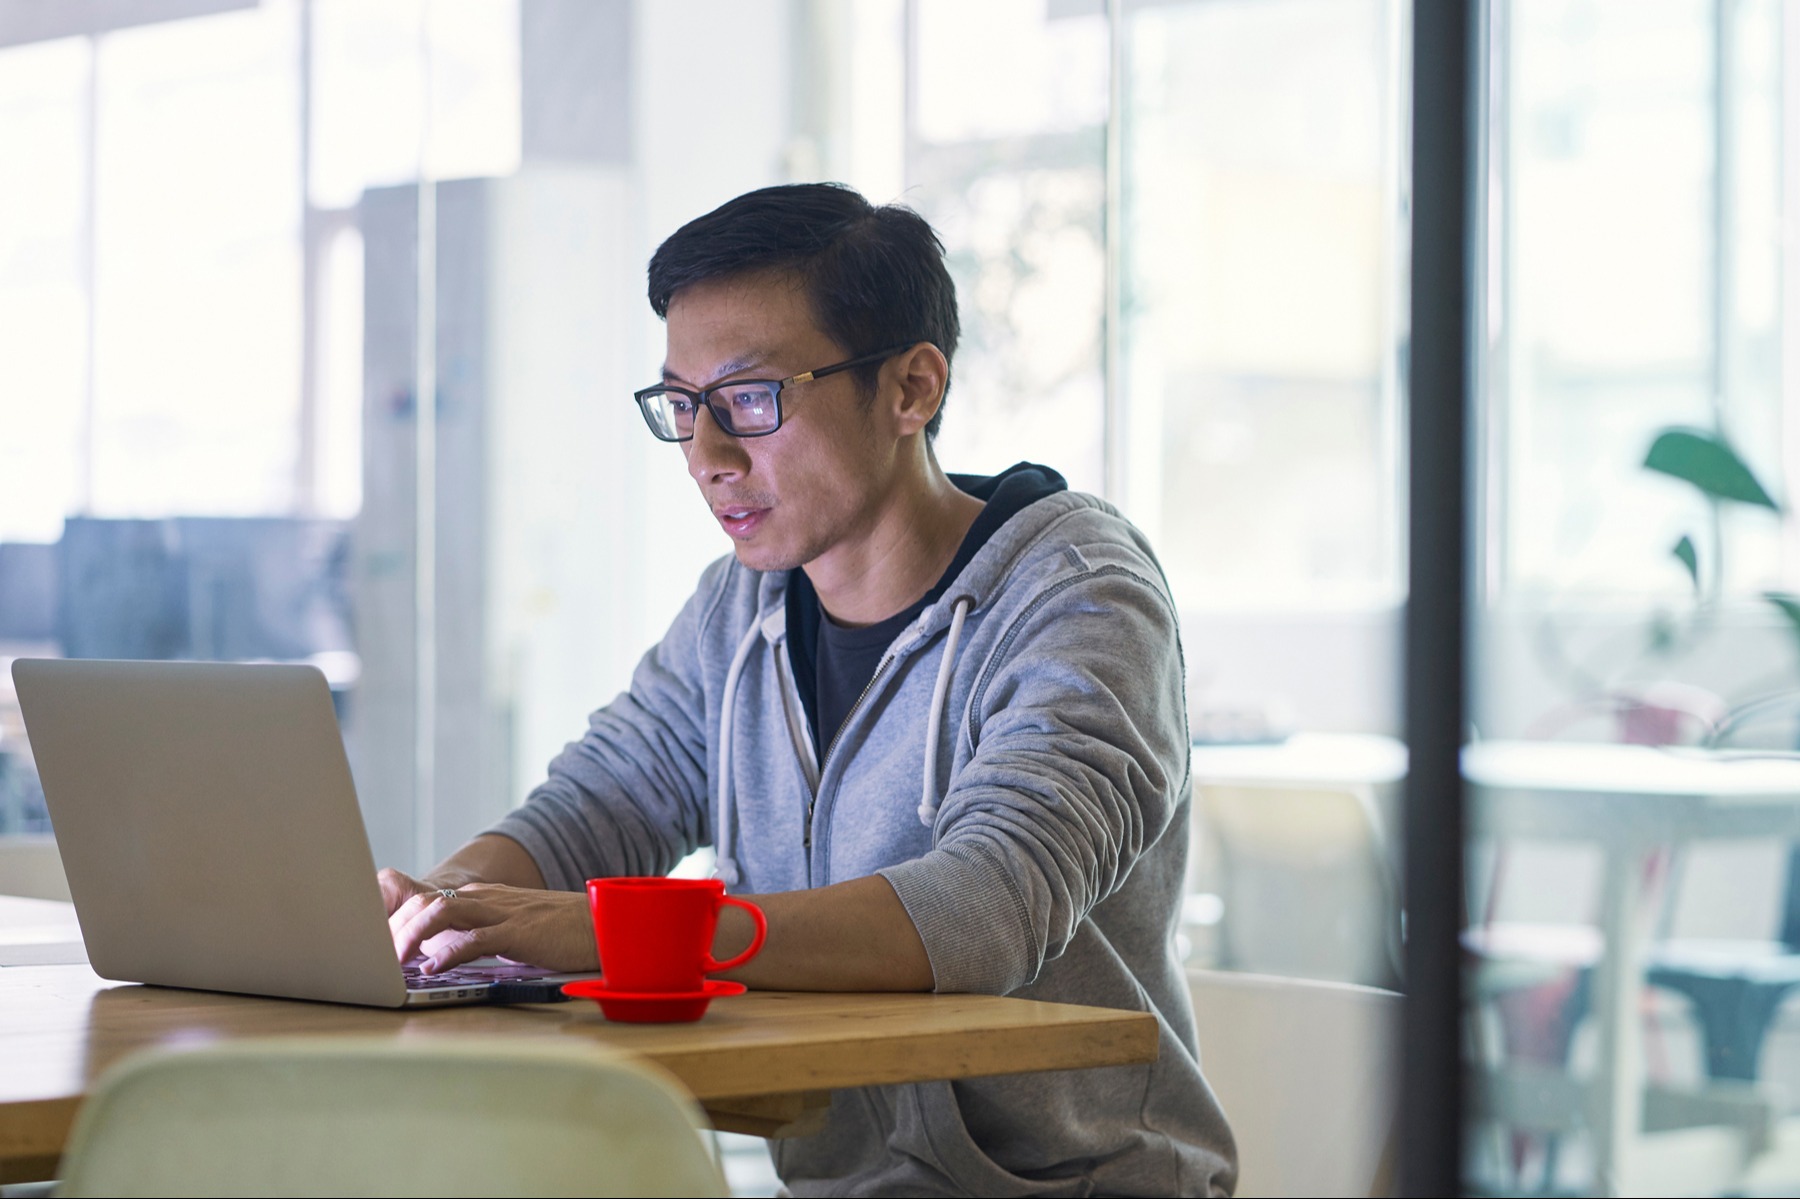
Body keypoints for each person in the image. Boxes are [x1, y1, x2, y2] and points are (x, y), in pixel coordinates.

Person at [382, 182, 1236, 1197]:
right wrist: (440, 911)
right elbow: (598, 804)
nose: (707, 456)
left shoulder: (1080, 598)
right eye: (684, 406)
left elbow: (983, 909)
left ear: (911, 389)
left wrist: (598, 931)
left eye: (750, 398)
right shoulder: (736, 611)